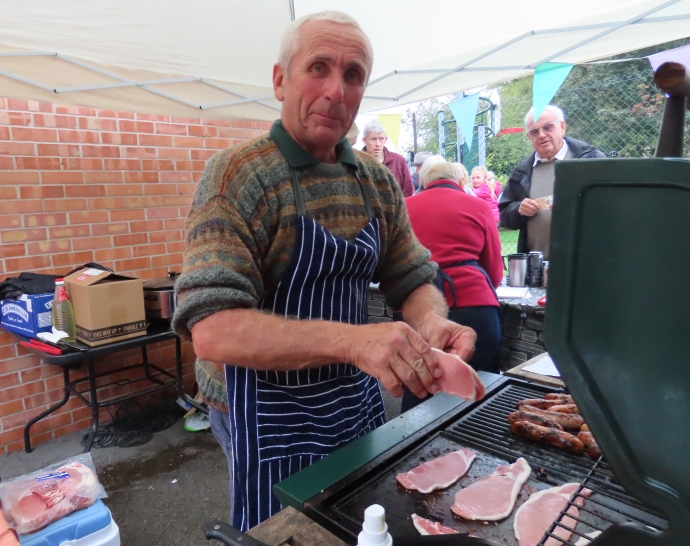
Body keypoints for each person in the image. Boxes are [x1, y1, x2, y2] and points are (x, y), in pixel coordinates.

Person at [172, 11, 476, 532]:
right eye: (319, 67)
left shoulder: (377, 182)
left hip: (354, 400)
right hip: (263, 412)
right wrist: (356, 342)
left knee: (361, 523)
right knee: (286, 531)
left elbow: (414, 278)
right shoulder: (238, 176)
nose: (336, 90)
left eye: (353, 74)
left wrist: (430, 323)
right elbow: (212, 330)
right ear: (280, 80)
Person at [404, 159, 503, 411]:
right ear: (461, 182)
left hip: (419, 309)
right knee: (479, 394)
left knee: (420, 390)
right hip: (476, 306)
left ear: (424, 183)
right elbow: (494, 270)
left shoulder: (404, 207)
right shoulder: (479, 206)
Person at [498, 105, 606, 259]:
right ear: (529, 138)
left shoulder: (592, 161)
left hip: (585, 262)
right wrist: (518, 209)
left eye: (548, 127)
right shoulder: (521, 173)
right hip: (536, 267)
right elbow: (504, 218)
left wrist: (574, 209)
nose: (541, 135)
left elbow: (610, 208)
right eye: (534, 131)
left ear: (562, 127)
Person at [361, 119, 415, 197]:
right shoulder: (357, 163)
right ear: (364, 140)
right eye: (373, 139)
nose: (378, 144)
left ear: (386, 139)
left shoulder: (398, 161)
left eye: (381, 139)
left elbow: (409, 194)